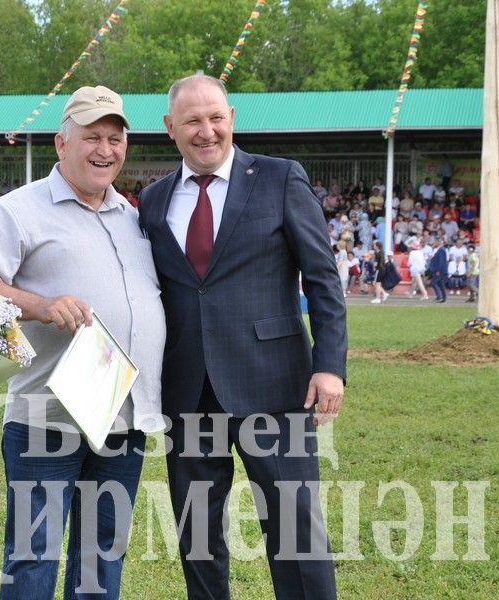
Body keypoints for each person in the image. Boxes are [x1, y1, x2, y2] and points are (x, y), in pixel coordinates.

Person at [138, 74, 346, 600]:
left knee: (296, 527)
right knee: (198, 534)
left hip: (276, 385)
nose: (205, 131)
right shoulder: (154, 201)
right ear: (170, 128)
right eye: (192, 121)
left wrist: (330, 365)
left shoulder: (280, 178)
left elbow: (322, 278)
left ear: (231, 117)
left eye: (215, 117)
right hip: (187, 390)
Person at [0, 85, 165, 600]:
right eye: (92, 136)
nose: (106, 149)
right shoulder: (19, 209)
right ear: (60, 143)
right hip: (45, 419)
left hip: (123, 417)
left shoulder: (134, 216)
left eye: (116, 138)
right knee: (33, 559)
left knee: (101, 560)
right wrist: (39, 306)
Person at [428, 237, 448, 302]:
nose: (435, 242)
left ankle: (439, 296)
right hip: (441, 270)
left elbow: (441, 261)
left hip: (439, 270)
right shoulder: (440, 249)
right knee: (441, 284)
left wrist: (438, 270)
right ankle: (443, 297)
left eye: (437, 241)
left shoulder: (441, 250)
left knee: (434, 282)